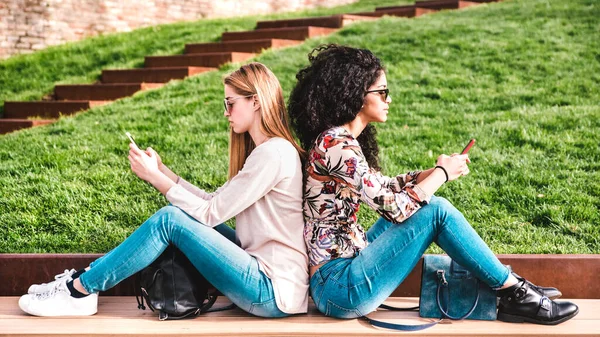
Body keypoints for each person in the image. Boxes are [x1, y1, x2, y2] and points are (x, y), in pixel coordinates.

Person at [287, 44, 579, 325]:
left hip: (347, 267)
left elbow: (383, 186)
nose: (389, 99)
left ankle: (512, 289)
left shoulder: (340, 140)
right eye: (383, 92)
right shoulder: (335, 143)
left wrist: (429, 173)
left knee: (428, 208)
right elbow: (393, 209)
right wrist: (442, 174)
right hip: (340, 288)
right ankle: (515, 292)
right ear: (357, 95)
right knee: (435, 211)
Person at [19, 62, 309, 318]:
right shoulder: (267, 152)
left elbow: (209, 213)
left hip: (272, 289)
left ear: (255, 102)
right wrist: (163, 171)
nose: (226, 113)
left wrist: (156, 178)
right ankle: (82, 281)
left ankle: (79, 291)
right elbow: (212, 202)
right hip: (266, 277)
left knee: (169, 220)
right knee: (177, 216)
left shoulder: (274, 154)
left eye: (230, 103)